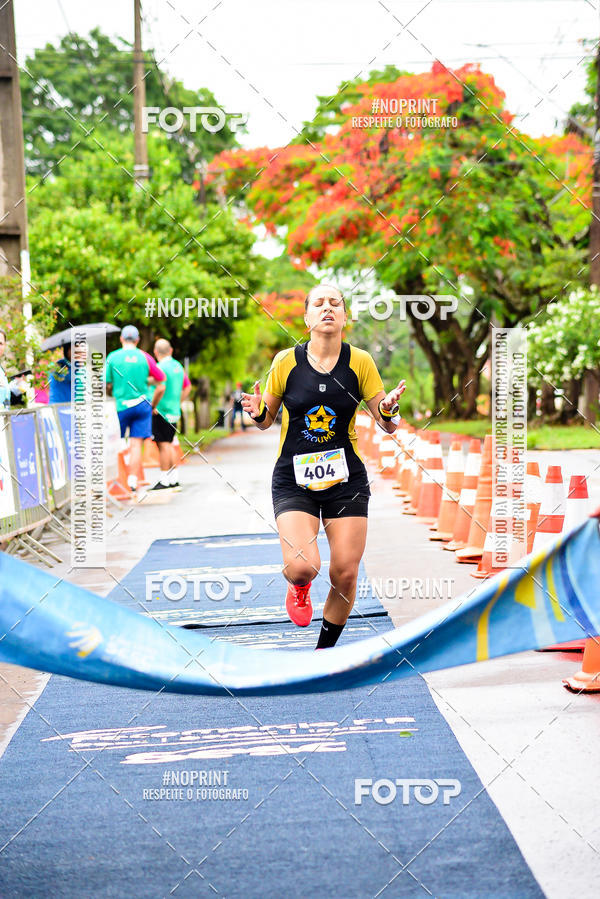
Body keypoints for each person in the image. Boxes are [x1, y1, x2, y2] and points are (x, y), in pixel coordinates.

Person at [242, 284, 405, 649]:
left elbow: (386, 421)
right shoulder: (286, 361)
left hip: (345, 479)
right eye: (318, 303)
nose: (327, 308)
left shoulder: (359, 361)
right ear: (307, 317)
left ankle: (324, 652)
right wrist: (256, 411)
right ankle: (298, 588)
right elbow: (267, 419)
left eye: (335, 303)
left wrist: (390, 407)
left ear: (345, 316)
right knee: (304, 567)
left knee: (345, 571)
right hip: (293, 478)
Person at [105, 325, 166, 494]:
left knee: (115, 442)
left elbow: (106, 383)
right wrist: (148, 386)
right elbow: (161, 379)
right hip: (142, 404)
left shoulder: (113, 357)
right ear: (138, 340)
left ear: (121, 339)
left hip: (120, 406)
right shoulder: (144, 357)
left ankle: (116, 482)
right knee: (136, 444)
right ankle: (132, 481)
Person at [149, 338, 191, 491]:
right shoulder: (178, 366)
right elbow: (188, 387)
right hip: (174, 411)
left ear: (155, 352)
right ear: (171, 350)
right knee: (171, 443)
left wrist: (153, 405)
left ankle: (164, 480)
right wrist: (178, 402)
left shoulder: (159, 367)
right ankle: (174, 479)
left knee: (163, 445)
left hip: (162, 411)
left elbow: (160, 388)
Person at [0, 328, 27, 409]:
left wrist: (17, 388)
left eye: (0, 343)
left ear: (5, 346)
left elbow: (5, 397)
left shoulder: (1, 370)